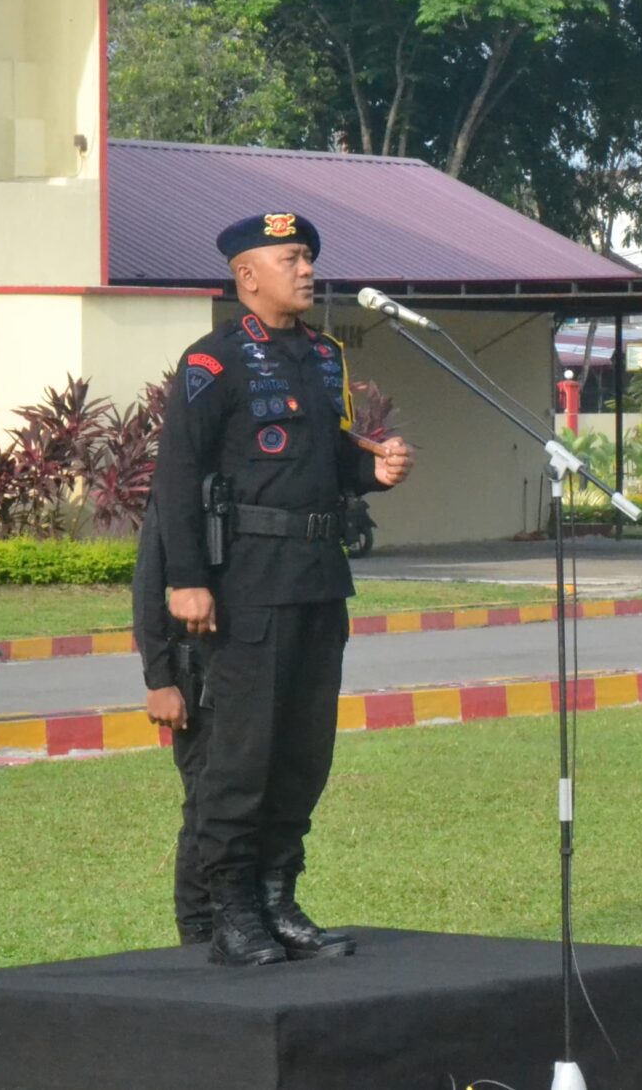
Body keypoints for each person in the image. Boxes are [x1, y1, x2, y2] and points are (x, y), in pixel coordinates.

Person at [146, 211, 417, 966]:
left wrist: (374, 471)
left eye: (308, 258)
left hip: (317, 580)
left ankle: (276, 894)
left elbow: (327, 458)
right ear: (246, 276)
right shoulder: (213, 362)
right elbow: (176, 479)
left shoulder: (323, 357)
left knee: (304, 752)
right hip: (246, 587)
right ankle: (230, 909)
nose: (307, 269)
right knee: (243, 754)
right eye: (291, 258)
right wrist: (188, 582)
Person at [135, 494, 212, 944]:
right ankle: (198, 926)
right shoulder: (180, 486)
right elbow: (148, 587)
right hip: (194, 670)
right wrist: (159, 680)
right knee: (206, 799)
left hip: (249, 664)